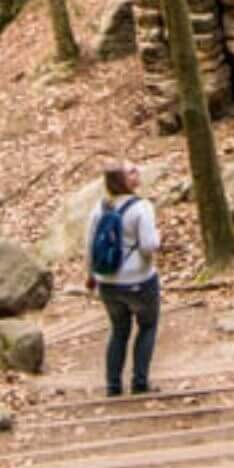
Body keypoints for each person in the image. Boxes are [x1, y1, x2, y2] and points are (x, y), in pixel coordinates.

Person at [86, 160, 161, 397]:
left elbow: (89, 245)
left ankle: (113, 385)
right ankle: (139, 382)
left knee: (119, 330)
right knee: (147, 326)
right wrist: (160, 237)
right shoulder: (142, 208)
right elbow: (149, 246)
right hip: (139, 280)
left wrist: (90, 275)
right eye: (131, 171)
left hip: (107, 281)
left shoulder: (99, 208)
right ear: (122, 180)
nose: (137, 172)